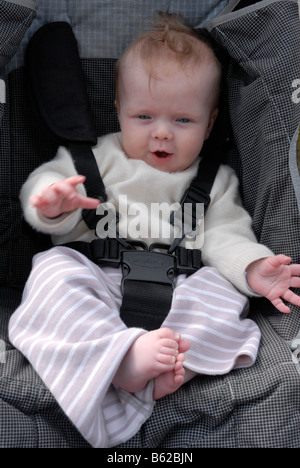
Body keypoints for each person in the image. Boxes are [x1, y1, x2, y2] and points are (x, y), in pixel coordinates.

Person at [9, 13, 300, 448]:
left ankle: (156, 369)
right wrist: (53, 202)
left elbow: (226, 236)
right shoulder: (97, 158)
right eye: (143, 116)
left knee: (225, 297)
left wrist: (254, 268)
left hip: (181, 290)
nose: (161, 133)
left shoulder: (215, 180)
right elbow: (50, 183)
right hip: (97, 284)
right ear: (118, 113)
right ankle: (119, 357)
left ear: (210, 121)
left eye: (183, 121)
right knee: (53, 272)